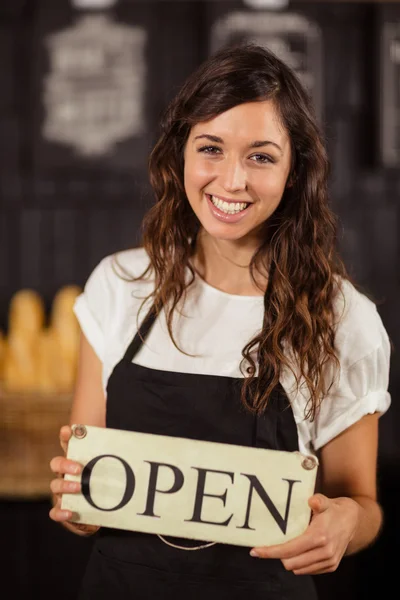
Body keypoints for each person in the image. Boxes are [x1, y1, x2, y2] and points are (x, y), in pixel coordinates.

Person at [49, 43, 391, 599]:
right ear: (179, 153)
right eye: (211, 148)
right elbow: (84, 488)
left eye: (260, 156)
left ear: (294, 170)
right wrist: (76, 503)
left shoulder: (343, 317)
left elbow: (364, 504)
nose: (231, 181)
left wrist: (348, 523)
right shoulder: (119, 287)